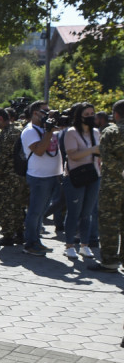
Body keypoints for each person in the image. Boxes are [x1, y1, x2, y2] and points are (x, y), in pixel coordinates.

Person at [21, 101, 62, 256]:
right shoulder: (29, 131)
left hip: (51, 176)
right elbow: (38, 151)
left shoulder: (45, 129)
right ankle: (30, 243)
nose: (48, 113)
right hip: (39, 177)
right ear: (34, 113)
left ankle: (37, 240)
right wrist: (49, 132)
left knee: (41, 211)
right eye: (44, 111)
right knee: (35, 212)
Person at [62, 103, 101, 259]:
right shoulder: (71, 133)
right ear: (79, 116)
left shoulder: (96, 132)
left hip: (94, 176)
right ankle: (69, 245)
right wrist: (92, 150)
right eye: (87, 114)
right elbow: (72, 155)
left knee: (88, 213)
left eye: (92, 113)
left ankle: (84, 245)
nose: (90, 116)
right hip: (75, 177)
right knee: (74, 212)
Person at [91, 100, 124, 273]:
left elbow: (105, 158)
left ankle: (110, 261)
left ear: (116, 114)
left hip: (113, 185)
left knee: (109, 222)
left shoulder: (110, 131)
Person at [0, 108, 27, 246]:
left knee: (6, 206)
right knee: (17, 206)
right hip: (18, 174)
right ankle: (19, 233)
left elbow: (1, 157)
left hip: (7, 176)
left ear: (1, 119)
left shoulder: (8, 133)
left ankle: (7, 235)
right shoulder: (17, 129)